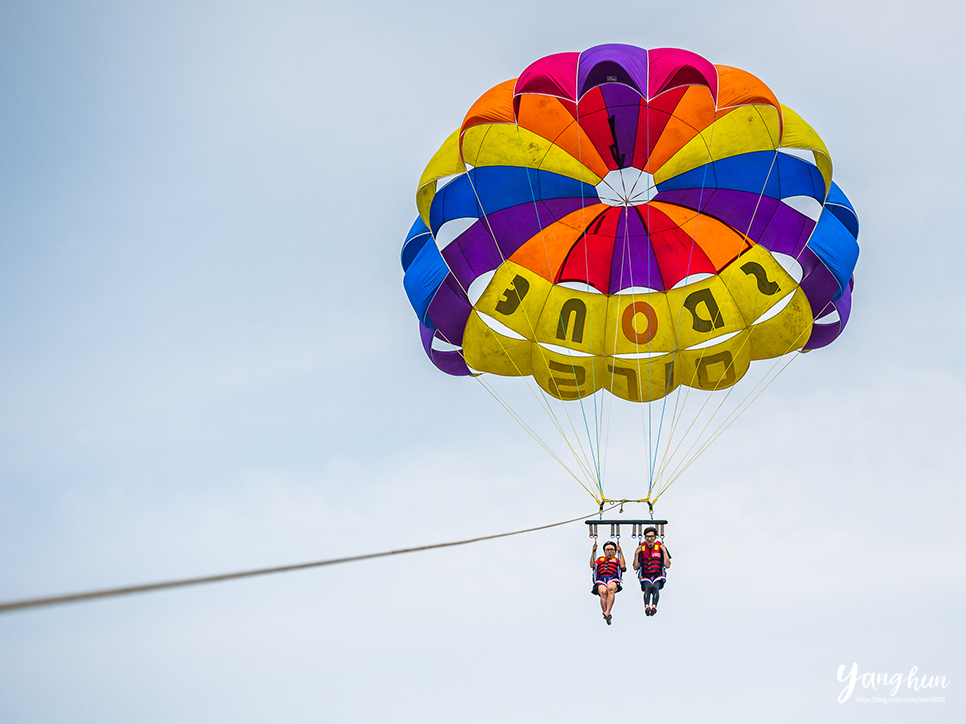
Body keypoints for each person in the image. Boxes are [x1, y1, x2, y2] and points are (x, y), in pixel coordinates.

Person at [632, 527, 671, 616]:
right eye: (647, 536)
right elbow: (635, 567)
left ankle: (654, 606)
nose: (649, 539)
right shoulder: (641, 547)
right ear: (645, 537)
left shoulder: (660, 547)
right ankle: (646, 606)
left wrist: (664, 551)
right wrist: (636, 554)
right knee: (648, 587)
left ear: (655, 537)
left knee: (655, 587)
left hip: (658, 574)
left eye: (651, 536)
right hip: (645, 575)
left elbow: (667, 565)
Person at [590, 540, 625, 625]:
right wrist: (593, 551)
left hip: (613, 578)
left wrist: (620, 552)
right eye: (607, 549)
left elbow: (623, 566)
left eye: (612, 549)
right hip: (601, 579)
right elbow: (592, 565)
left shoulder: (617, 560)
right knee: (603, 592)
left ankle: (607, 611)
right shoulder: (600, 560)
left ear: (615, 551)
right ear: (604, 551)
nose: (610, 551)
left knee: (610, 589)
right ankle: (605, 613)